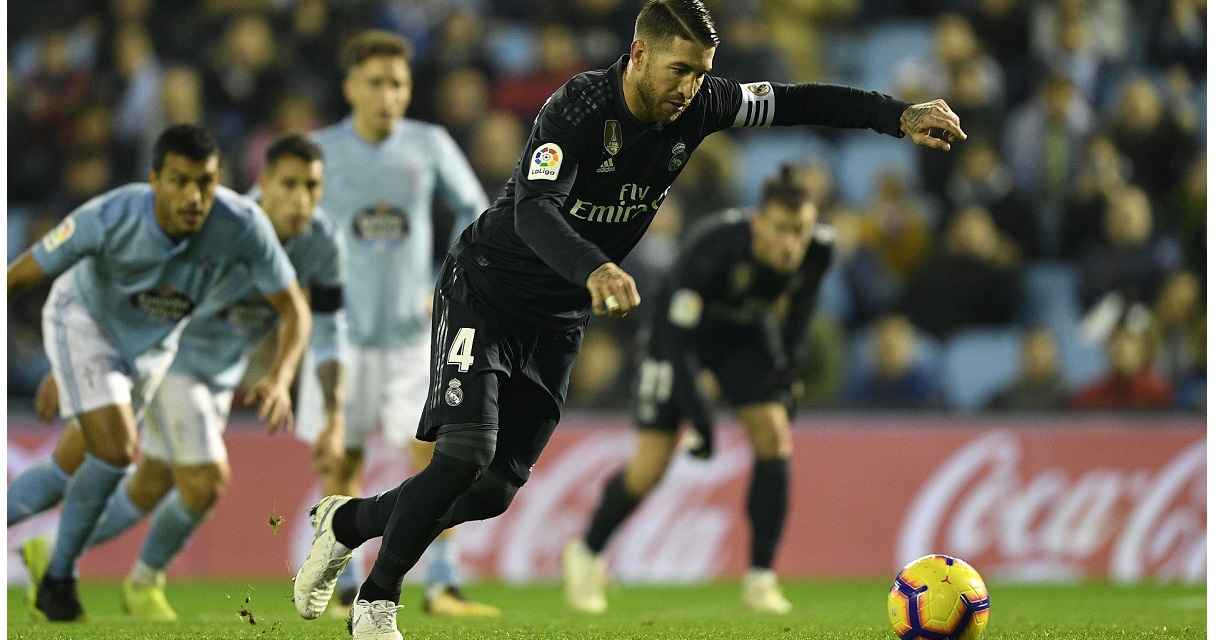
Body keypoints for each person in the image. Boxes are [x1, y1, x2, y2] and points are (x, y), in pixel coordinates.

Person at [291, 3, 965, 638]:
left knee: (496, 489)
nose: (690, 88)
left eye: (701, 73)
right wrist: (594, 267)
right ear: (639, 54)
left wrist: (897, 115)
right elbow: (534, 209)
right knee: (463, 454)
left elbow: (797, 101)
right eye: (679, 70)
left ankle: (346, 522)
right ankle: (376, 602)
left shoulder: (704, 103)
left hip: (558, 318)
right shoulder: (578, 107)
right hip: (487, 291)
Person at [11, 133, 345, 622]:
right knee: (192, 475)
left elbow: (306, 316)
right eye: (288, 185)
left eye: (311, 187)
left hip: (179, 357)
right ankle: (109, 578)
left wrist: (287, 382)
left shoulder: (286, 236)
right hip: (165, 355)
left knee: (135, 481)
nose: (300, 199)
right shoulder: (125, 216)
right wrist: (68, 361)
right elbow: (28, 275)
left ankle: (55, 553)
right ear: (262, 183)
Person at [562, 166, 833, 615]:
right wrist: (702, 418)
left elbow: (801, 309)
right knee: (651, 466)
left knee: (774, 435)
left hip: (745, 335)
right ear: (758, 224)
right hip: (676, 338)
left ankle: (761, 580)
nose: (791, 243)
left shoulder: (820, 249)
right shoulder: (712, 247)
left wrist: (787, 369)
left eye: (800, 231)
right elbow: (678, 340)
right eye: (781, 229)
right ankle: (586, 551)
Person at [295, 30, 497, 618]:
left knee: (437, 458)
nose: (389, 95)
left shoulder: (428, 144)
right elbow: (268, 212)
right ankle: (347, 584)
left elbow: (475, 210)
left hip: (413, 337)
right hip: (342, 336)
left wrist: (445, 278)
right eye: (377, 83)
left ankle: (443, 583)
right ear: (350, 88)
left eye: (398, 84)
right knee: (343, 460)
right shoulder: (318, 151)